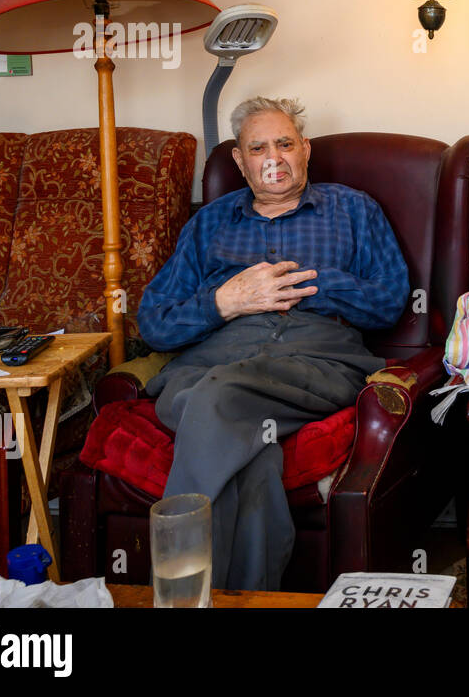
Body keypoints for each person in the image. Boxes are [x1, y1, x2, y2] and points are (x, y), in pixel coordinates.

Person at [137, 96, 409, 591]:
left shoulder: (353, 210)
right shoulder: (208, 225)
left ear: (305, 150)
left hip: (315, 361)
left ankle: (181, 594)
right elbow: (154, 323)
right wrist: (225, 301)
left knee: (215, 398)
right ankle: (253, 598)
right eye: (257, 147)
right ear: (240, 161)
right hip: (210, 361)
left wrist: (312, 283)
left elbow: (390, 302)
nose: (273, 157)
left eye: (285, 143)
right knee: (255, 452)